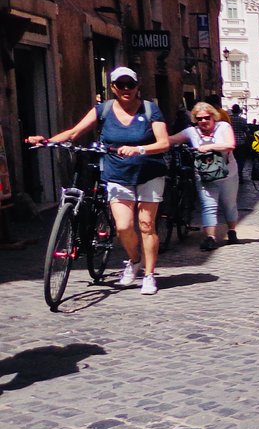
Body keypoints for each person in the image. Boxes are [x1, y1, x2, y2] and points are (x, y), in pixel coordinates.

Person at [26, 66, 170, 296]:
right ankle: (134, 261)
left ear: (137, 86)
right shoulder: (103, 109)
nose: (126, 89)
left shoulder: (150, 109)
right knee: (123, 227)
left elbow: (163, 143)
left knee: (146, 225)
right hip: (116, 173)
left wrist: (139, 149)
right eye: (120, 84)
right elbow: (74, 132)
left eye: (130, 84)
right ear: (112, 87)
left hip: (149, 173)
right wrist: (47, 141)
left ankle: (149, 275)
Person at [174, 102, 239, 250]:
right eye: (199, 118)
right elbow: (170, 139)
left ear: (213, 117)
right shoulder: (192, 131)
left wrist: (207, 147)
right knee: (208, 205)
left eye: (206, 117)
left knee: (229, 204)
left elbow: (230, 144)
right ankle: (210, 237)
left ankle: (232, 231)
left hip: (228, 173)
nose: (203, 121)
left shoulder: (223, 127)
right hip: (204, 175)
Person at [229, 104, 253, 181]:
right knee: (240, 160)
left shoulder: (229, 119)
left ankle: (232, 175)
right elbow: (247, 131)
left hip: (230, 142)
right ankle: (240, 175)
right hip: (240, 143)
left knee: (231, 160)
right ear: (239, 111)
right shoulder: (242, 120)